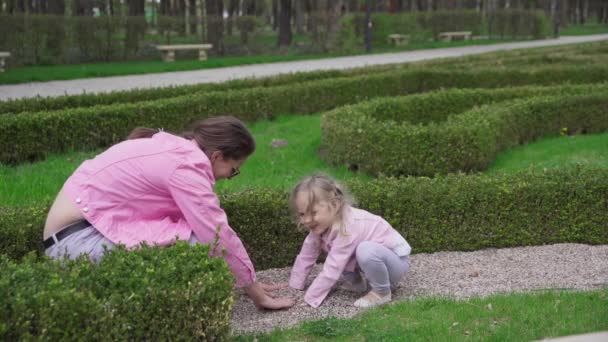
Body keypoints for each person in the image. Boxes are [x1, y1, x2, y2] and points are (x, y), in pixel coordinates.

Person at [43, 115, 294, 310]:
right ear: (216, 156)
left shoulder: (175, 149)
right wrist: (255, 291)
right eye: (233, 169)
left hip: (79, 233)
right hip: (75, 244)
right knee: (198, 243)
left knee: (189, 233)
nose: (230, 177)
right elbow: (217, 234)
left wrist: (247, 278)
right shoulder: (186, 168)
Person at [288, 173, 411, 308]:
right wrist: (295, 284)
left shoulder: (348, 227)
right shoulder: (320, 227)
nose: (306, 220)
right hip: (377, 261)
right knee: (341, 250)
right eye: (302, 214)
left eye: (313, 213)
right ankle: (358, 284)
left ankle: (382, 292)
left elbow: (333, 268)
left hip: (395, 264)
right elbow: (306, 256)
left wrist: (311, 298)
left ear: (334, 205)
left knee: (362, 250)